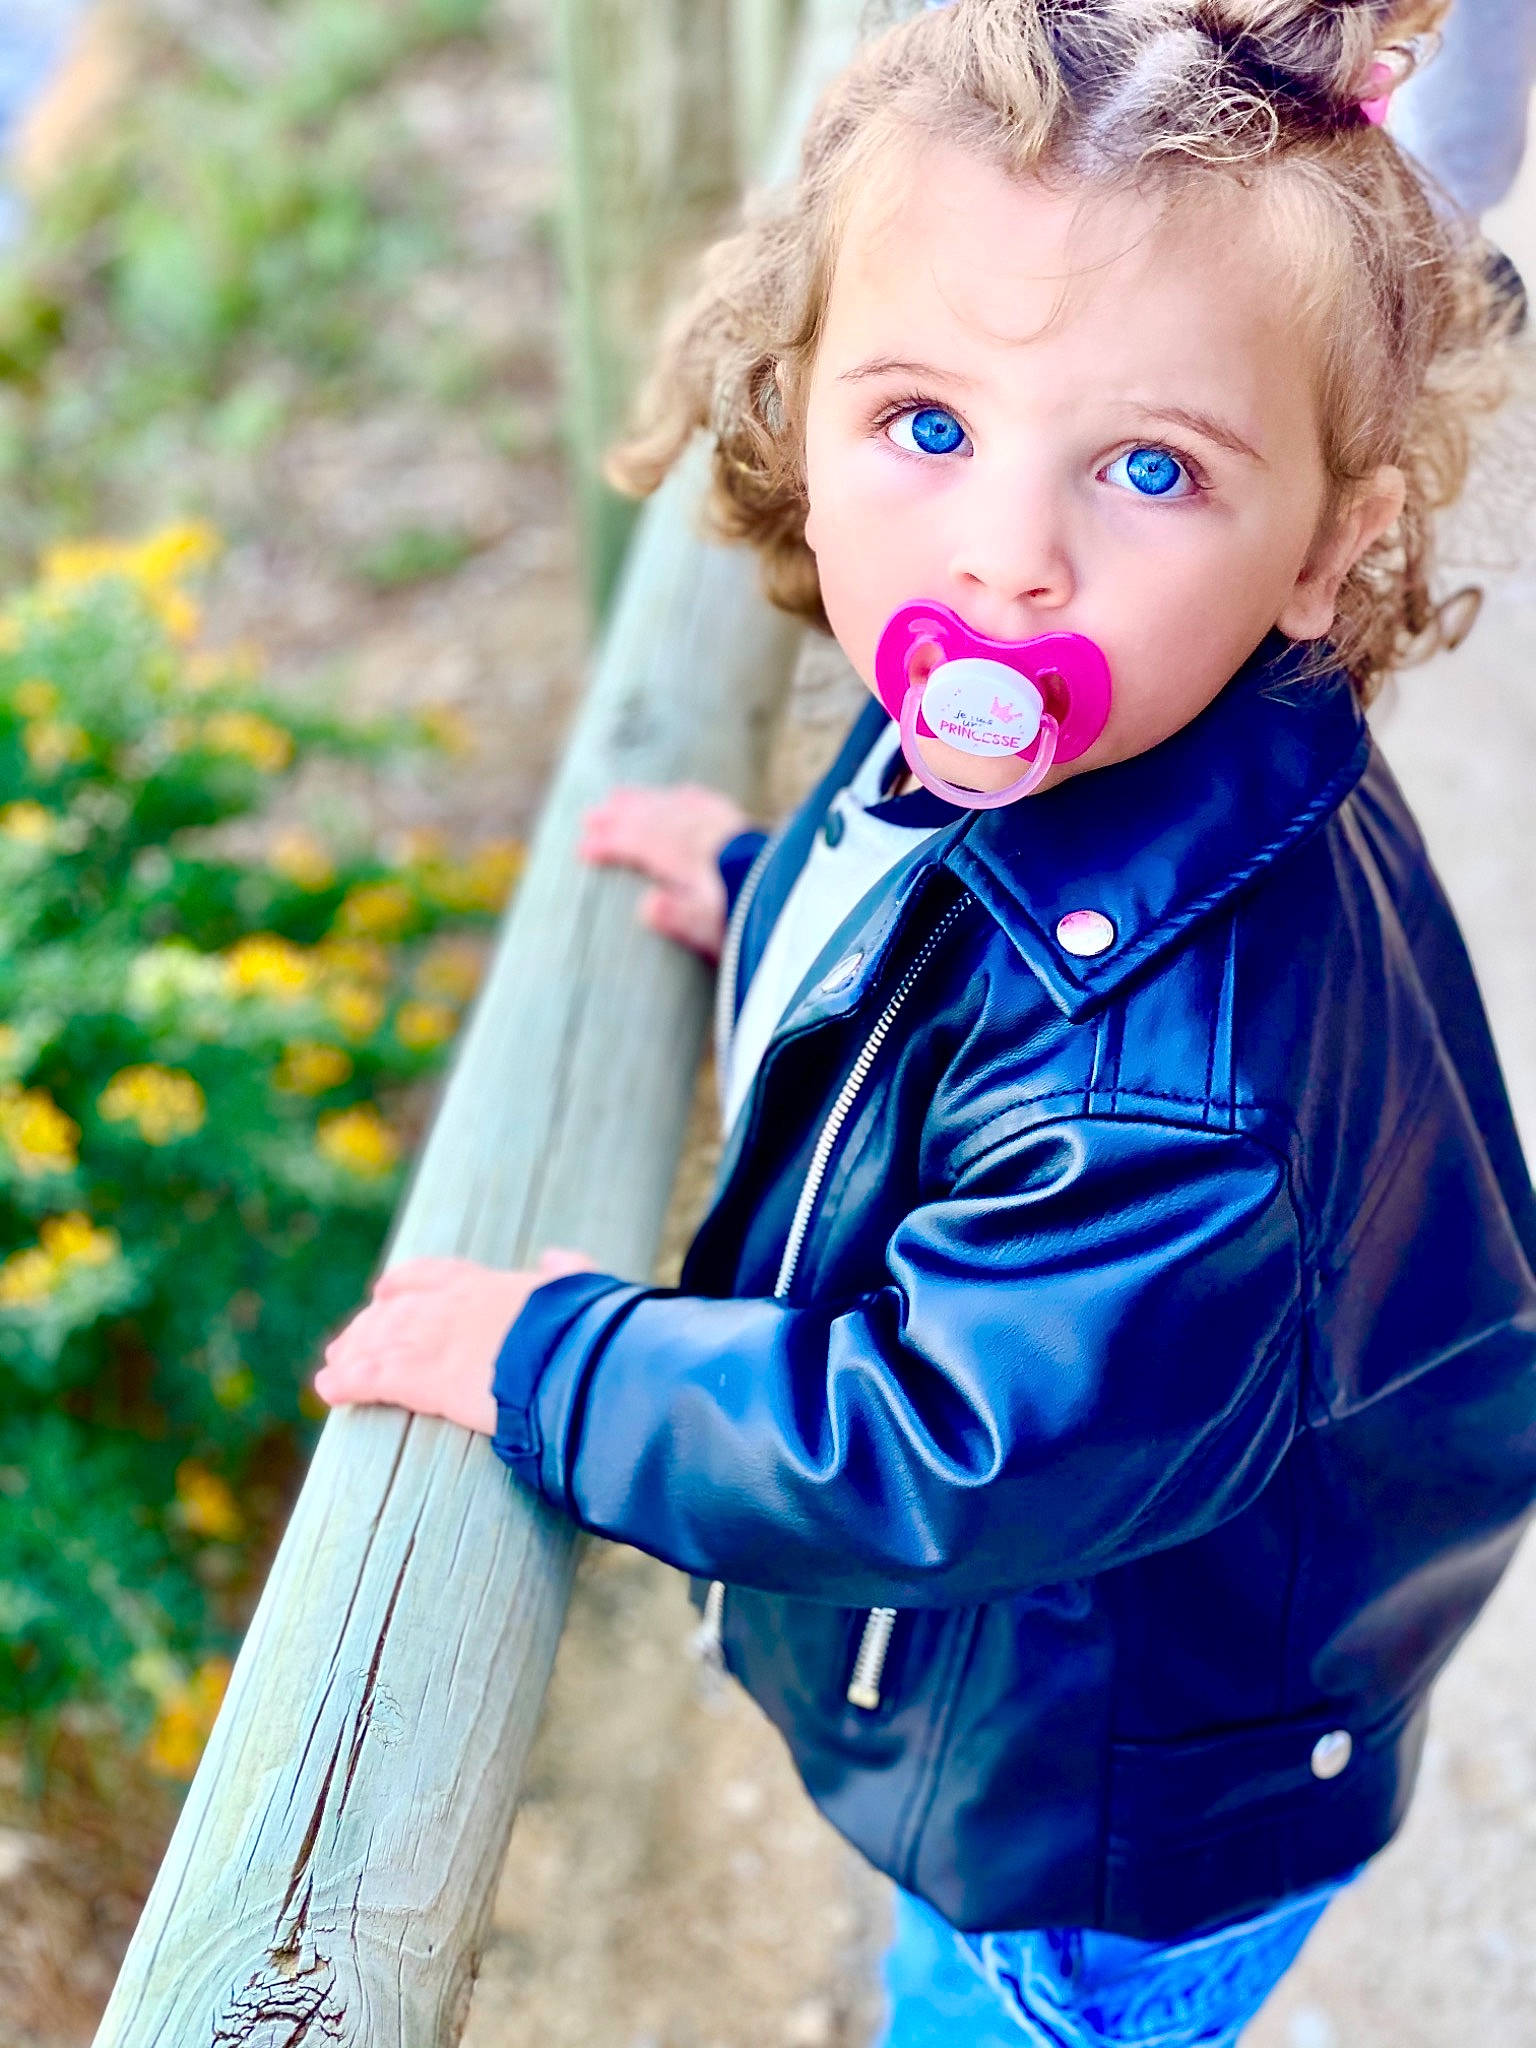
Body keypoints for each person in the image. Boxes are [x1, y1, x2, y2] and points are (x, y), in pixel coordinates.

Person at [315, 2, 1536, 2042]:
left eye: (1150, 467)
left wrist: (555, 1361)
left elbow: (939, 1439)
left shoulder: (1179, 1102)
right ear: (798, 400)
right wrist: (768, 900)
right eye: (927, 425)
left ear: (1330, 545)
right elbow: (952, 936)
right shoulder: (1096, 724)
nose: (1006, 559)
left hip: (1112, 1839)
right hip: (1102, 1677)